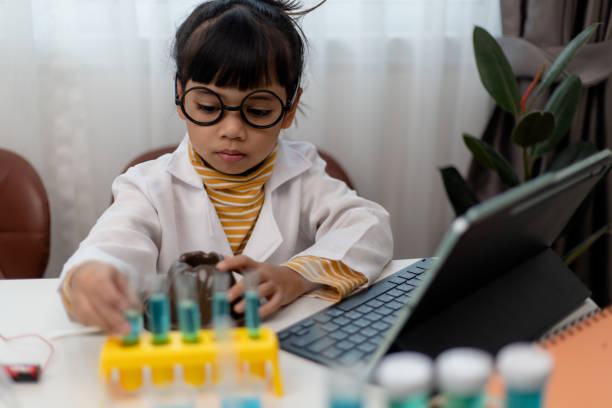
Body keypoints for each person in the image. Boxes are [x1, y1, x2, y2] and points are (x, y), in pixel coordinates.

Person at [58, 0, 393, 335]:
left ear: (290, 108)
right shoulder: (147, 186)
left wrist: (295, 277)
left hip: (280, 348)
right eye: (207, 106)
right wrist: (90, 274)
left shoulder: (304, 174)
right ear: (180, 94)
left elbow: (369, 227)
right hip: (182, 350)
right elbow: (114, 242)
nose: (232, 130)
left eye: (259, 111)